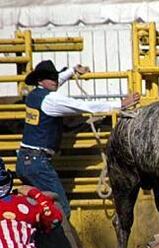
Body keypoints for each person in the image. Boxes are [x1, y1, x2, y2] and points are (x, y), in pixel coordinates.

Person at [17, 60, 140, 218]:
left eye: (55, 77)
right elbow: (82, 106)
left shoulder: (34, 95)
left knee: (37, 210)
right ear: (41, 81)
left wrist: (72, 71)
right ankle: (60, 243)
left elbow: (56, 81)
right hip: (38, 164)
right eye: (51, 78)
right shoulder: (51, 100)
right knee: (60, 209)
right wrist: (119, 104)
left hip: (24, 161)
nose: (55, 80)